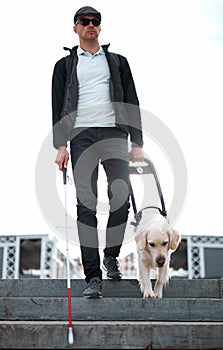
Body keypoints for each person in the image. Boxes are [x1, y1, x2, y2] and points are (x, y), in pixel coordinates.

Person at [52, 6, 144, 298]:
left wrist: (137, 142)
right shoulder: (64, 66)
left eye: (96, 22)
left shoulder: (117, 62)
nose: (91, 25)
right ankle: (93, 277)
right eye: (85, 21)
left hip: (115, 133)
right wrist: (60, 145)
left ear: (100, 28)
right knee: (86, 206)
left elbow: (131, 100)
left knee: (120, 198)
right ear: (76, 28)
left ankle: (111, 256)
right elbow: (57, 107)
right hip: (81, 137)